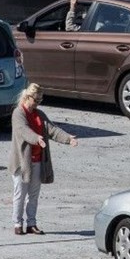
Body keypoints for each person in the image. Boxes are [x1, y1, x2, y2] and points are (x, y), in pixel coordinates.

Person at [7, 83, 78, 235]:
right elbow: (23, 131)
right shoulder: (18, 113)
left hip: (38, 160)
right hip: (21, 161)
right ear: (27, 97)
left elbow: (52, 129)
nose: (37, 104)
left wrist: (68, 138)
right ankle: (17, 223)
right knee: (20, 193)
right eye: (36, 101)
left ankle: (31, 223)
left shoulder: (39, 114)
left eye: (39, 101)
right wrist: (36, 138)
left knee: (33, 194)